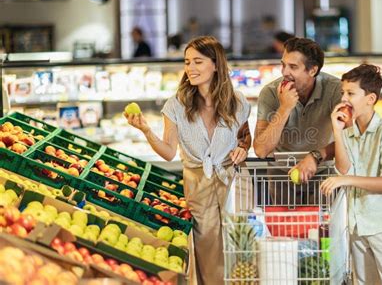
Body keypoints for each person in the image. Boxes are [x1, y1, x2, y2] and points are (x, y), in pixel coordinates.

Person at [125, 36, 251, 285]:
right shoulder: (177, 105)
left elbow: (245, 136)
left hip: (232, 183)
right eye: (187, 62)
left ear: (216, 65)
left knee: (239, 244)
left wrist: (243, 149)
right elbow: (169, 152)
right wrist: (146, 131)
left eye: (197, 62)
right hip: (197, 184)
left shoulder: (237, 102)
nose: (190, 68)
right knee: (207, 249)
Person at [321, 64, 382, 284]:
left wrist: (345, 180)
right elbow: (344, 169)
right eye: (343, 93)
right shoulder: (348, 133)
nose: (344, 98)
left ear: (370, 99)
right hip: (357, 224)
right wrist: (337, 131)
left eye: (351, 93)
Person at [253, 37, 341, 204]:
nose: (285, 72)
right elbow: (261, 150)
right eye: (283, 64)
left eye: (293, 67)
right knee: (286, 229)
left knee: (322, 228)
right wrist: (284, 108)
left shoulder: (335, 90)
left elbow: (350, 140)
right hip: (281, 176)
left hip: (323, 173)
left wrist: (315, 156)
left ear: (313, 70)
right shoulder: (270, 93)